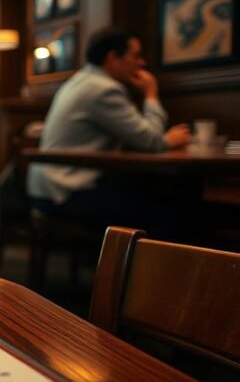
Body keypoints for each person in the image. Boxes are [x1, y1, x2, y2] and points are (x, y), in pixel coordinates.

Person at [27, 27, 192, 234]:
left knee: (150, 196)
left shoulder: (80, 81)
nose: (141, 63)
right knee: (171, 212)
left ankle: (114, 262)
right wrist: (151, 94)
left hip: (48, 186)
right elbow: (153, 142)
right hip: (67, 191)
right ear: (113, 57)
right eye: (136, 55)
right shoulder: (103, 89)